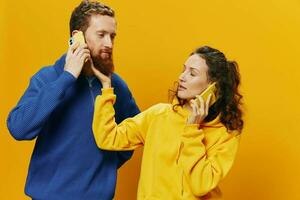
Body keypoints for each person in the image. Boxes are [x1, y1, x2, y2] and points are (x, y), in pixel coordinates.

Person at [6, 1, 139, 199]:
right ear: (77, 37)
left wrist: (106, 166)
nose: (109, 44)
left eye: (112, 36)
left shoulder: (115, 86)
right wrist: (67, 77)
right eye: (101, 35)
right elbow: (19, 128)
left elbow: (135, 131)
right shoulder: (48, 78)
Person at [91, 46, 243, 199]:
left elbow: (200, 186)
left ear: (213, 87)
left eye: (192, 73)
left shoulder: (226, 134)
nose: (182, 77)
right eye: (183, 70)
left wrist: (192, 129)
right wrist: (106, 87)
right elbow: (108, 138)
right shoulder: (159, 115)